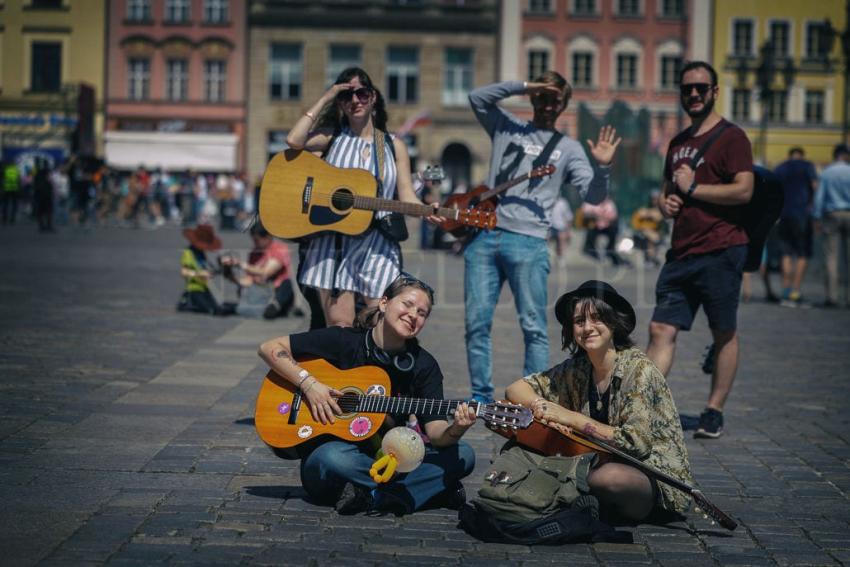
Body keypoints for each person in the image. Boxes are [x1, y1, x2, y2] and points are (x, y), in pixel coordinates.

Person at [257, 274, 476, 515]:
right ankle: (423, 489)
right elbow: (269, 348)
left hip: (390, 457)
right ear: (384, 303)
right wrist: (309, 385)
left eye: (422, 313)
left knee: (465, 454)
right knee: (330, 457)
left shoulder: (424, 366)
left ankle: (376, 496)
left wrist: (457, 428)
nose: (414, 315)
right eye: (407, 304)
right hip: (338, 458)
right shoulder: (343, 341)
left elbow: (436, 434)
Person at [465, 72, 621, 403]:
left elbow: (593, 197)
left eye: (556, 99)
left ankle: (530, 399)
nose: (548, 104)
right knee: (476, 323)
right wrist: (525, 86)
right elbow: (478, 97)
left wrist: (603, 168)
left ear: (564, 105)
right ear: (534, 97)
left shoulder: (569, 148)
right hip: (484, 235)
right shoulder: (506, 125)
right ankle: (480, 396)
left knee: (533, 328)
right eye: (543, 97)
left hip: (529, 241)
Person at [505, 280, 693, 522]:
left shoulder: (639, 370)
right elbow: (516, 389)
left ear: (614, 323)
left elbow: (637, 443)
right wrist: (542, 408)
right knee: (517, 449)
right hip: (593, 462)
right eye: (579, 321)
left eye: (597, 318)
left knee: (607, 478)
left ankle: (566, 497)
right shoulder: (578, 367)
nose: (588, 328)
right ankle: (575, 500)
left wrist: (570, 417)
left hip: (649, 477)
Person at [645, 61, 754, 439]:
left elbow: (744, 190)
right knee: (660, 327)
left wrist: (694, 190)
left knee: (723, 330)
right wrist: (665, 204)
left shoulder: (732, 138)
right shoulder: (677, 143)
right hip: (682, 252)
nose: (693, 94)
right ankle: (642, 405)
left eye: (701, 88)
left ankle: (713, 410)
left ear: (715, 92)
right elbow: (665, 193)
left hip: (722, 248)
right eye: (687, 88)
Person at [285, 67, 439, 328]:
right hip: (334, 245)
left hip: (378, 245)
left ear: (373, 97)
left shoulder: (392, 145)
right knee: (339, 328)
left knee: (379, 324)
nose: (355, 100)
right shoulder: (331, 138)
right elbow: (293, 140)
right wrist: (327, 96)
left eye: (362, 93)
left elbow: (406, 195)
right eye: (347, 96)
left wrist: (426, 210)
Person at [221, 222, 300, 319]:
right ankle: (267, 308)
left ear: (268, 237)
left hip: (279, 291)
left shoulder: (279, 249)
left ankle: (275, 306)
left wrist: (241, 264)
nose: (255, 243)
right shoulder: (254, 253)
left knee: (287, 284)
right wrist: (228, 272)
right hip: (262, 292)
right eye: (253, 240)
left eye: (257, 240)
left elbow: (266, 272)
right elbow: (248, 281)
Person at [774, 147, 818, 307]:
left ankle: (785, 291)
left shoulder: (780, 167)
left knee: (785, 252)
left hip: (783, 214)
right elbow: (814, 186)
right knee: (802, 253)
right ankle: (795, 291)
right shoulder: (807, 166)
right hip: (802, 214)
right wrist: (814, 209)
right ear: (802, 155)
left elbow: (774, 190)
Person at [812, 143, 850, 308]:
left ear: (834, 155)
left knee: (831, 257)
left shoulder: (827, 173)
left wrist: (817, 217)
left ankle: (832, 297)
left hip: (831, 214)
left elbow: (819, 197)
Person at [177, 224, 233, 316]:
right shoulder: (188, 253)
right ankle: (187, 303)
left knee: (220, 307)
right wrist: (198, 274)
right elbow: (184, 272)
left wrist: (222, 266)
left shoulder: (201, 253)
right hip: (194, 289)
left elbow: (208, 270)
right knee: (210, 309)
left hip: (204, 288)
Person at [582, 197, 627, 266]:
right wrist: (598, 217)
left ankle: (610, 249)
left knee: (614, 230)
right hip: (594, 226)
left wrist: (601, 217)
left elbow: (613, 216)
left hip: (607, 226)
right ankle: (590, 250)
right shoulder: (589, 202)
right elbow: (586, 214)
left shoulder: (610, 203)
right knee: (590, 231)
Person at [630, 191, 665, 266]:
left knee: (651, 238)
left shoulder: (661, 209)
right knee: (648, 236)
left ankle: (650, 258)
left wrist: (647, 214)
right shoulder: (645, 207)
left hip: (655, 233)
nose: (654, 201)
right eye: (653, 199)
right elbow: (638, 215)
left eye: (656, 199)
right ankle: (649, 259)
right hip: (642, 231)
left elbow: (658, 217)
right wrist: (650, 214)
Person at [550, 195, 573, 266]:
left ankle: (560, 257)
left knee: (561, 238)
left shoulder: (563, 203)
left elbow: (569, 218)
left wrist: (568, 231)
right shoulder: (547, 200)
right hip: (549, 227)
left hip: (560, 227)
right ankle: (546, 255)